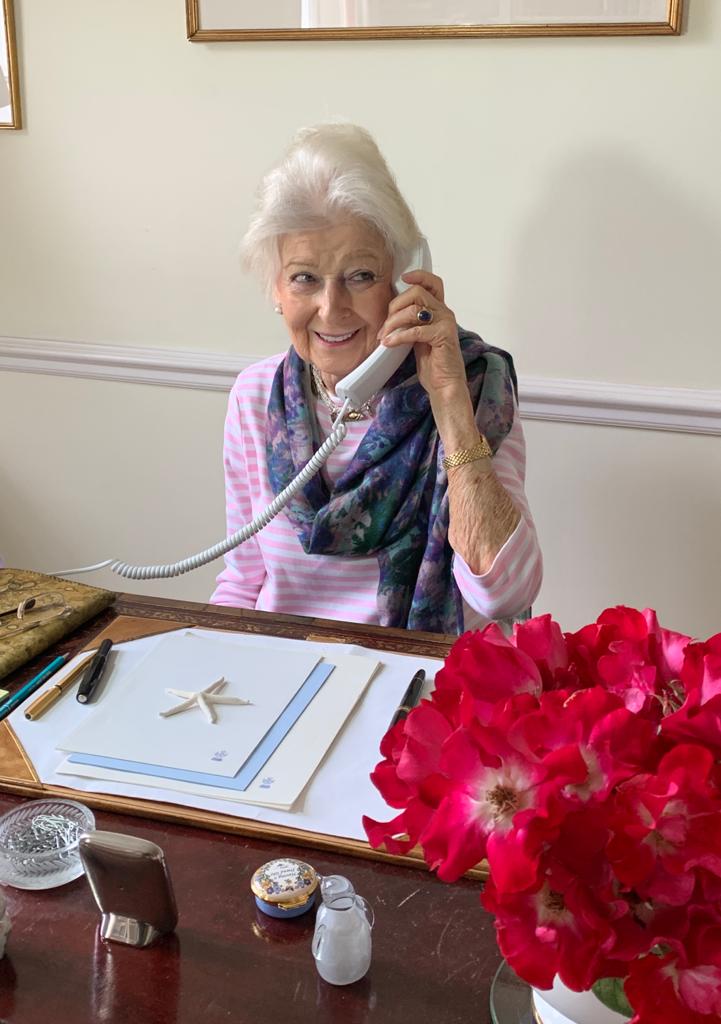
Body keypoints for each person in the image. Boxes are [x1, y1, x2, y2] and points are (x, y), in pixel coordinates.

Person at [211, 123, 542, 634]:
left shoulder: (476, 385)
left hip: (430, 689)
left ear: (403, 276)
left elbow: (506, 595)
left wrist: (449, 402)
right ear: (276, 288)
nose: (330, 307)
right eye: (304, 278)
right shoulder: (256, 397)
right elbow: (243, 580)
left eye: (360, 275)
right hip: (290, 681)